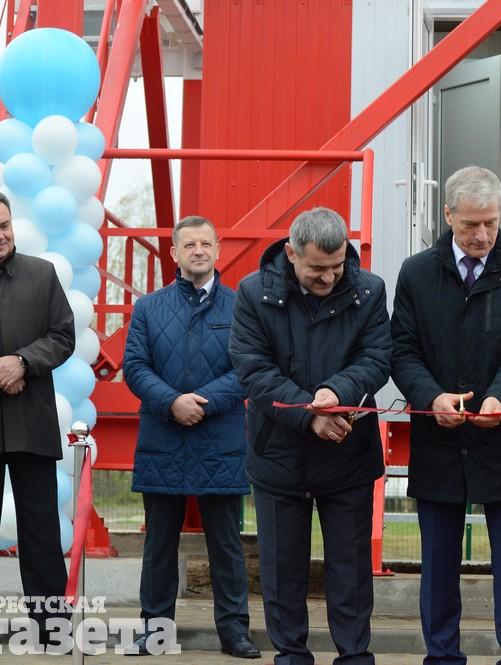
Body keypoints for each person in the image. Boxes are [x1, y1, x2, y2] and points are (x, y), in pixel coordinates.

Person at [390, 165, 501, 665]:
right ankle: (442, 657)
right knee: (438, 563)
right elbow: (402, 350)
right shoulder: (416, 273)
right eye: (470, 225)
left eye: (491, 223)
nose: (482, 235)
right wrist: (431, 397)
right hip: (438, 437)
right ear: (448, 216)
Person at [229, 206, 389, 665]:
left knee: (351, 569)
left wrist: (336, 393)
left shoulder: (369, 290)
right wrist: (308, 414)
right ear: (291, 253)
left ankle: (354, 656)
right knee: (282, 570)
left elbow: (377, 357)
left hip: (348, 451)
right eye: (318, 268)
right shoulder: (253, 293)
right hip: (279, 455)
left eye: (337, 266)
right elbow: (252, 368)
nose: (329, 277)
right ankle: (291, 654)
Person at [122, 215, 259, 658]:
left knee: (226, 544)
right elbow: (135, 366)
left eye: (205, 243)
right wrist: (171, 402)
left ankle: (234, 632)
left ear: (218, 250)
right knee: (159, 544)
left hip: (220, 438)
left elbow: (249, 368)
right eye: (189, 245)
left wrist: (202, 401)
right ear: (174, 253)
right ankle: (155, 632)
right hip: (163, 437)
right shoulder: (149, 308)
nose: (198, 251)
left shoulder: (241, 306)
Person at [0, 191, 75, 652]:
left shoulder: (42, 274)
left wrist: (23, 362)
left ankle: (51, 629)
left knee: (42, 531)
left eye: (5, 225)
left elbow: (63, 336)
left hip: (32, 421)